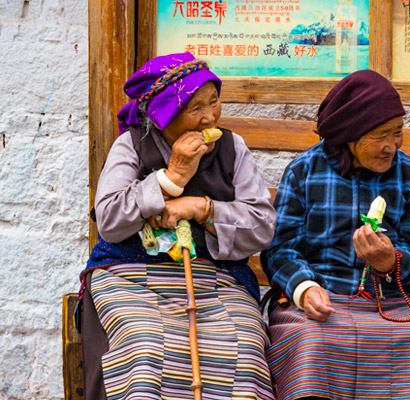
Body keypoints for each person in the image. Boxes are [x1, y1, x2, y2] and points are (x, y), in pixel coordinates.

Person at [80, 53, 276, 400]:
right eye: (195, 108)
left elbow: (261, 227)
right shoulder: (133, 144)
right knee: (145, 346)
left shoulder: (233, 147)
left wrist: (202, 208)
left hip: (214, 281)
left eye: (214, 102)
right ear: (163, 114)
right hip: (131, 279)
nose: (209, 117)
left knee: (243, 346)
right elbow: (108, 219)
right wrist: (170, 179)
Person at [261, 69, 410, 400]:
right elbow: (279, 250)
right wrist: (304, 288)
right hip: (319, 302)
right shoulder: (304, 170)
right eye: (382, 135)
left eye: (398, 133)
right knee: (310, 345)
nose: (392, 146)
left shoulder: (407, 173)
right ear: (350, 134)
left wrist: (390, 262)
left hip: (389, 301)